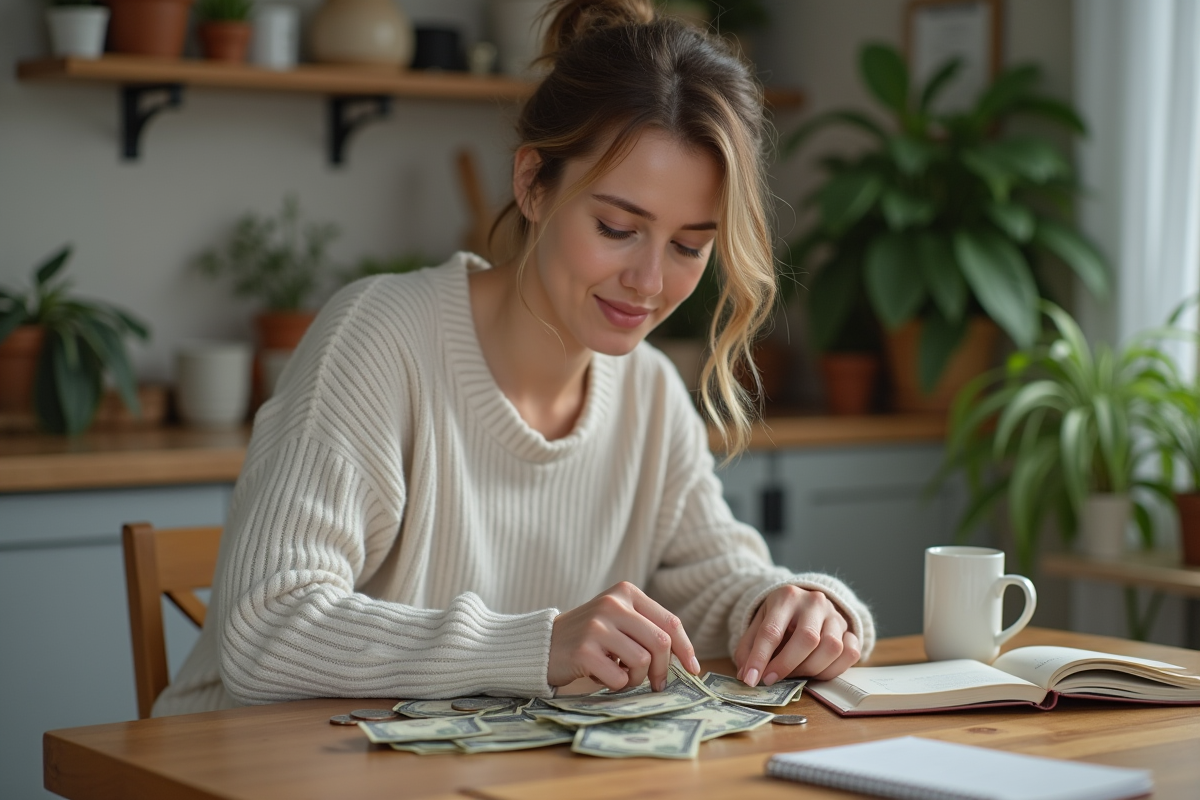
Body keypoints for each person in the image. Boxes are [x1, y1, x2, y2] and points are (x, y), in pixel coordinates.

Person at [153, 0, 874, 716]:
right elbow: (264, 631)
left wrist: (798, 609)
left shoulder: (649, 391)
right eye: (618, 227)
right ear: (532, 184)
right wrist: (541, 645)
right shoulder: (381, 340)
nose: (651, 282)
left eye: (690, 245)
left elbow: (716, 585)